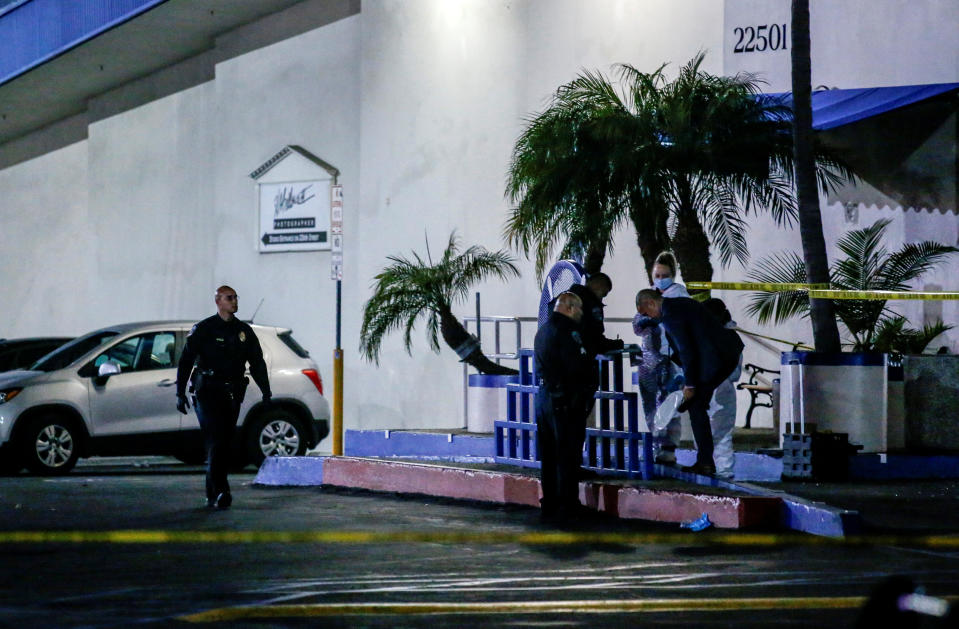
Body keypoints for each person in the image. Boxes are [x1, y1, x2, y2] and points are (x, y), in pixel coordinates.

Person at [176, 285, 272, 509]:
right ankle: (221, 490)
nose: (234, 301)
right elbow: (186, 360)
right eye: (229, 298)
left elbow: (257, 363)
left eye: (236, 298)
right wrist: (180, 392)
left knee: (223, 442)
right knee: (217, 439)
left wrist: (266, 392)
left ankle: (212, 493)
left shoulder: (243, 331)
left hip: (232, 392)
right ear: (218, 301)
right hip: (207, 391)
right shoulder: (204, 329)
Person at [635, 289, 744, 475]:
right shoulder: (682, 303)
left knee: (695, 405)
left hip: (714, 360)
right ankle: (706, 461)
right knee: (696, 405)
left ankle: (706, 463)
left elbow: (686, 349)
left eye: (647, 313)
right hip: (724, 354)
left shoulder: (670, 316)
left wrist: (690, 384)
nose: (649, 318)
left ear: (652, 303)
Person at [533, 291, 595, 521]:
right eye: (579, 310)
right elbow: (576, 366)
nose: (581, 314)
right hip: (564, 400)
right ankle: (568, 505)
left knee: (549, 454)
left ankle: (550, 502)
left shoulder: (543, 330)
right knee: (567, 453)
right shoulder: (568, 332)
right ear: (569, 307)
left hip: (545, 398)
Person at [632, 252, 689, 465]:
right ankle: (656, 444)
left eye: (664, 274)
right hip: (649, 361)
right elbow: (638, 323)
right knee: (650, 405)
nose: (660, 278)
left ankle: (668, 447)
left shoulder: (679, 295)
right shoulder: (649, 295)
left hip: (670, 360)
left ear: (673, 274)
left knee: (668, 405)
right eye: (657, 274)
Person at [702, 298, 743, 479]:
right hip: (721, 388)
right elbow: (735, 373)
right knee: (721, 433)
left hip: (711, 388)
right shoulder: (732, 337)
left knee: (710, 433)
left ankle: (715, 468)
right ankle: (722, 470)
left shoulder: (709, 336)